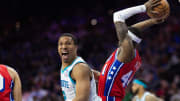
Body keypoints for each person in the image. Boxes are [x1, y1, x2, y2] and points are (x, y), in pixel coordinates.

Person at [91, 0, 168, 100]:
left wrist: (144, 8)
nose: (120, 35)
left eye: (124, 36)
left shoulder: (127, 52)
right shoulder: (130, 52)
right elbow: (134, 30)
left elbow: (117, 16)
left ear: (128, 41)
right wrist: (153, 21)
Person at [58, 33, 101, 101]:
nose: (64, 47)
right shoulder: (69, 65)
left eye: (68, 43)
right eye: (61, 44)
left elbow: (82, 98)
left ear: (76, 47)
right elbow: (97, 75)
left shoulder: (80, 68)